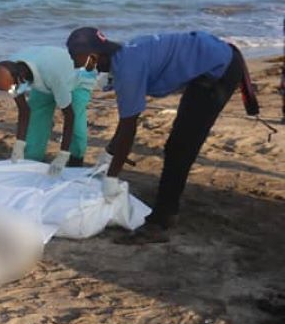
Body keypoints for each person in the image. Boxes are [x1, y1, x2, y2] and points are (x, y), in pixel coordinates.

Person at [66, 27, 252, 244]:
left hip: (219, 68)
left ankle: (160, 222)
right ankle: (168, 204)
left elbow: (129, 127)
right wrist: (109, 154)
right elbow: (126, 122)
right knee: (178, 143)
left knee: (180, 147)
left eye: (76, 59)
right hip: (210, 57)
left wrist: (112, 176)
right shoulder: (124, 55)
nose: (76, 66)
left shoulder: (128, 70)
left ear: (93, 56)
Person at [0, 47, 95, 174]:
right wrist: (19, 144)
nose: (12, 92)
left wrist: (63, 154)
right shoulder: (10, 69)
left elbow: (69, 115)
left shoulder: (52, 74)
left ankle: (76, 159)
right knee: (36, 117)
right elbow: (24, 110)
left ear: (21, 77)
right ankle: (32, 159)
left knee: (77, 124)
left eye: (12, 88)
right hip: (43, 80)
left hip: (76, 78)